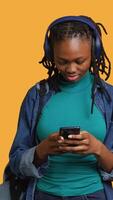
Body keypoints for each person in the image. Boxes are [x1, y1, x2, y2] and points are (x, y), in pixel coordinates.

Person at [3, 15, 113, 200]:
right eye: (62, 61)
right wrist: (41, 150)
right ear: (50, 53)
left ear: (94, 52)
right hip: (42, 194)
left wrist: (98, 149)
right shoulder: (37, 96)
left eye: (80, 61)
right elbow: (15, 162)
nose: (71, 69)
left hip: (94, 194)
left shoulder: (109, 98)